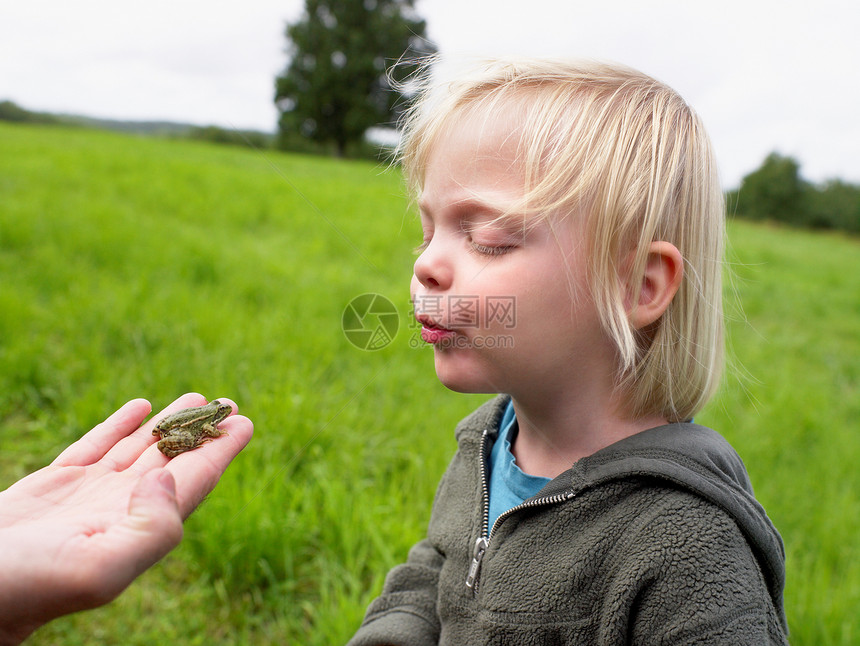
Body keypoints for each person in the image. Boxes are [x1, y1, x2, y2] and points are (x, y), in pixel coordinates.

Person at [348, 58, 789, 644]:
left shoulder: (687, 549)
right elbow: (435, 573)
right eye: (428, 232)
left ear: (639, 286)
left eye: (488, 240)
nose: (425, 265)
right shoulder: (487, 442)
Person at [0, 392, 252, 645]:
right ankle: (190, 443)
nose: (223, 413)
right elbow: (210, 428)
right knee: (193, 438)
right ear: (214, 412)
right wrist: (216, 434)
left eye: (219, 411)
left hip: (168, 426)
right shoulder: (210, 419)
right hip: (177, 431)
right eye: (220, 411)